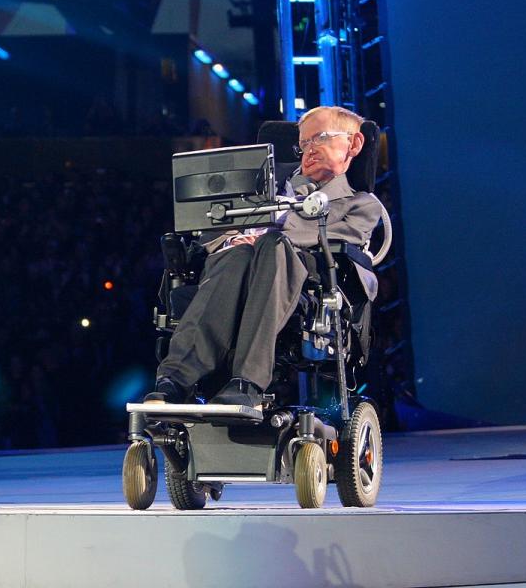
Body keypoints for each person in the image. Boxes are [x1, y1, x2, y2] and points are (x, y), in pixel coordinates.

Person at [144, 106, 382, 410]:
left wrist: (271, 231)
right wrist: (233, 237)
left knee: (272, 245)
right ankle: (175, 379)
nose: (308, 150)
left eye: (319, 139)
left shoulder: (360, 203)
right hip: (239, 267)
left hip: (303, 277)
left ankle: (248, 382)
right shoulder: (263, 191)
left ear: (354, 143)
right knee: (236, 254)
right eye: (304, 144)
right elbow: (214, 233)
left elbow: (338, 240)